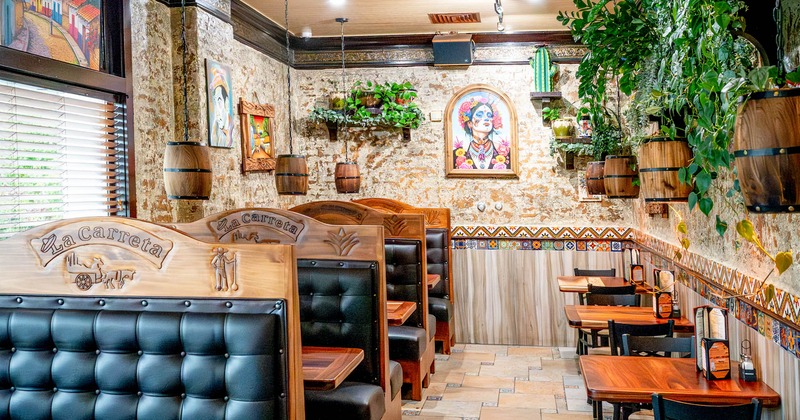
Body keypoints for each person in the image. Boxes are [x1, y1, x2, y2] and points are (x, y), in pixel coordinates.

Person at [453, 96, 511, 170]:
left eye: (489, 115)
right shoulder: (456, 154)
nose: (486, 118)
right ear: (469, 123)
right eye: (480, 115)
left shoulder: (506, 152)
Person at [209, 68, 232, 147]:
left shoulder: (230, 128)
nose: (217, 109)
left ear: (226, 102)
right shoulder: (215, 131)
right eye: (215, 101)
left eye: (219, 100)